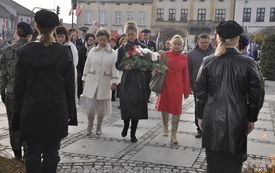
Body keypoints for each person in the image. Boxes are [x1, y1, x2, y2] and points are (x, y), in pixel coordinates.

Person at [12, 9, 76, 172]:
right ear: (55, 28)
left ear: (36, 27)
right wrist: (70, 113)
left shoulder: (25, 51)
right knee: (51, 151)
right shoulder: (63, 52)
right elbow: (70, 86)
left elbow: (18, 87)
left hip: (31, 109)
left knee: (32, 151)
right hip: (55, 109)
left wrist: (17, 114)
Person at [195, 20, 262, 173]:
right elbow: (255, 94)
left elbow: (200, 93)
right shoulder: (248, 62)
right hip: (237, 117)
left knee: (213, 162)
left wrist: (200, 116)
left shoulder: (208, 61)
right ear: (237, 38)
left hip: (212, 116)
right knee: (233, 162)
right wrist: (252, 118)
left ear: (217, 38)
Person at [0, 22, 33, 161]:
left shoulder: (7, 50)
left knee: (13, 123)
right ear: (30, 35)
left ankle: (17, 154)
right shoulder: (33, 49)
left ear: (17, 33)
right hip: (30, 93)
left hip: (12, 92)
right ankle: (28, 152)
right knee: (29, 123)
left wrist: (2, 91)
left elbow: (2, 74)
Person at [80, 28, 118, 135]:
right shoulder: (92, 51)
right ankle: (90, 124)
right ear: (97, 39)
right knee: (90, 106)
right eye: (100, 40)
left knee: (101, 107)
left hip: (105, 82)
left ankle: (99, 126)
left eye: (104, 40)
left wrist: (114, 82)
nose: (102, 42)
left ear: (108, 40)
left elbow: (114, 68)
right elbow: (87, 66)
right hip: (91, 80)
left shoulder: (113, 53)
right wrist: (84, 79)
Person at [116, 21, 148, 142]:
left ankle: (133, 132)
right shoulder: (122, 48)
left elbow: (148, 64)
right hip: (127, 78)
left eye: (132, 34)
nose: (131, 36)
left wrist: (145, 67)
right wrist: (124, 67)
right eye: (128, 34)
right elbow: (117, 64)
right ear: (125, 34)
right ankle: (125, 125)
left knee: (136, 105)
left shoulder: (143, 48)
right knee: (126, 104)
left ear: (137, 33)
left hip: (138, 78)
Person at [155, 35, 190, 144]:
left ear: (182, 46)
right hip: (166, 84)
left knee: (176, 110)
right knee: (164, 107)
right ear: (171, 44)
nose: (177, 46)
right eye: (175, 44)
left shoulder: (184, 58)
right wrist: (158, 64)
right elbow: (156, 70)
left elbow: (186, 74)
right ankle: (165, 126)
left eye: (179, 44)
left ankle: (174, 133)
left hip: (178, 86)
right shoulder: (164, 55)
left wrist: (186, 90)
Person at [187, 33, 215, 138]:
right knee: (199, 107)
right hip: (198, 86)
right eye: (202, 42)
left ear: (210, 42)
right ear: (198, 42)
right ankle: (199, 129)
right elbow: (188, 70)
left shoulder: (215, 52)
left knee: (212, 107)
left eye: (206, 42)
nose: (204, 44)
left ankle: (211, 128)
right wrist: (189, 85)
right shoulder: (191, 54)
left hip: (213, 86)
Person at [77, 33, 96, 98]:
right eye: (90, 40)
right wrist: (78, 71)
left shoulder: (95, 49)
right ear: (87, 40)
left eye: (92, 40)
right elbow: (79, 60)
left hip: (93, 70)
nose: (91, 41)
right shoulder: (82, 49)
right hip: (83, 69)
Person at [140, 28, 156, 102]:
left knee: (148, 83)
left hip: (149, 67)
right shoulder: (139, 43)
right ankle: (141, 97)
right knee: (141, 83)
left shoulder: (152, 44)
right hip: (141, 66)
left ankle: (147, 97)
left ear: (149, 35)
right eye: (144, 35)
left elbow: (155, 54)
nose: (145, 36)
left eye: (146, 35)